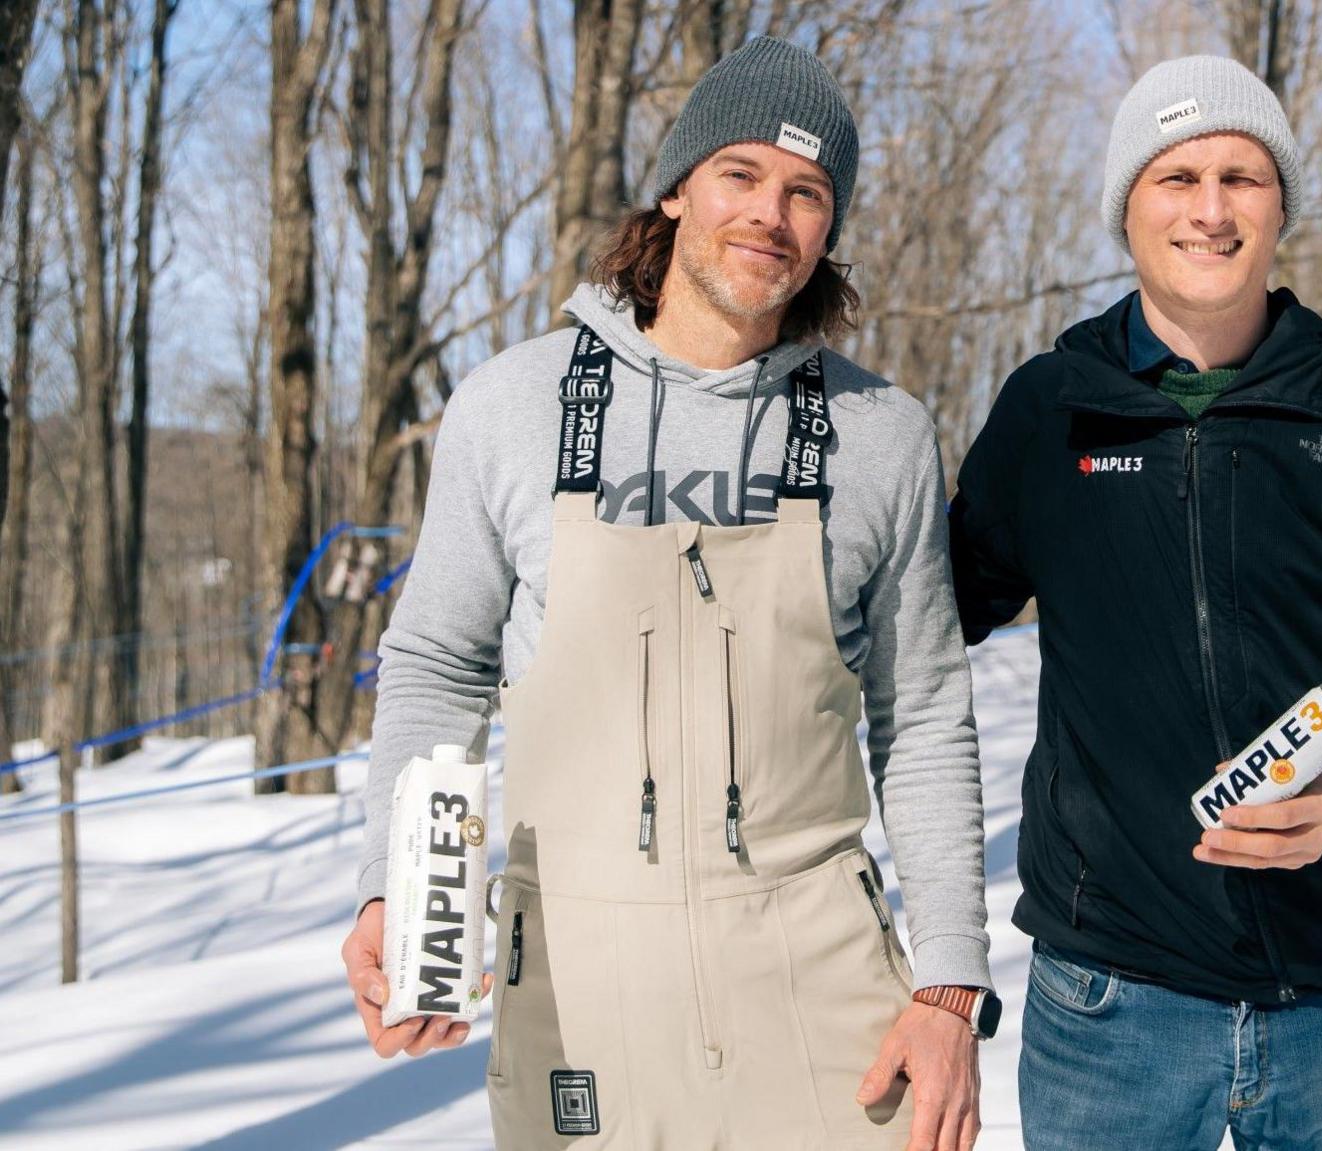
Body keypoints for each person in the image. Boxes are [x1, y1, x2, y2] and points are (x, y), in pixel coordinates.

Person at [339, 36, 998, 1151]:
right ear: (676, 187)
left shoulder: (881, 437)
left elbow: (924, 712)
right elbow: (436, 663)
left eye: (806, 192)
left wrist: (947, 985)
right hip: (580, 998)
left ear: (829, 227)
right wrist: (392, 890)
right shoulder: (511, 408)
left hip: (823, 997)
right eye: (739, 175)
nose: (769, 215)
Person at [948, 56, 1322, 1150]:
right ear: (1127, 207)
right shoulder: (1050, 412)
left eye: (1241, 177)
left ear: (1279, 209)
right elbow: (938, 604)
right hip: (1110, 1003)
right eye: (1175, 177)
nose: (1209, 209)